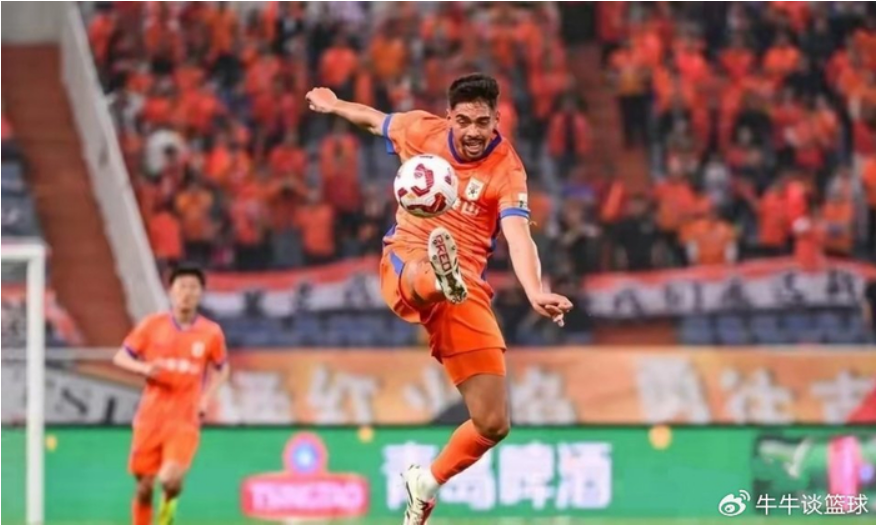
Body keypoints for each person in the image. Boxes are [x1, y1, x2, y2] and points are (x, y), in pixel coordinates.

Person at [306, 73, 572, 525]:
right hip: (406, 260)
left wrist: (534, 289)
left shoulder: (507, 170)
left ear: (496, 120)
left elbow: (518, 234)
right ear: (449, 117)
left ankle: (425, 484)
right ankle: (437, 276)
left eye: (482, 122)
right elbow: (373, 120)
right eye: (463, 120)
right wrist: (334, 106)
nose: (473, 131)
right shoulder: (421, 130)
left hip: (466, 289)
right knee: (421, 272)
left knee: (492, 423)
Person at [112, 264, 230, 525]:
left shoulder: (211, 333)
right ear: (171, 291)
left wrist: (206, 397)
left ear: (200, 293)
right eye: (182, 286)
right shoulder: (151, 326)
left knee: (170, 479)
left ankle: (166, 518)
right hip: (151, 417)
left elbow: (222, 368)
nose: (187, 293)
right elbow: (121, 357)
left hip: (184, 417)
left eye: (193, 287)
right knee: (144, 486)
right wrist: (144, 368)